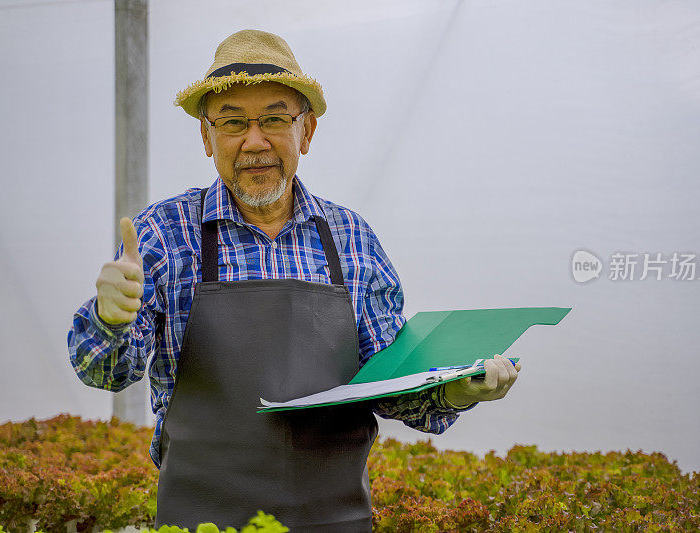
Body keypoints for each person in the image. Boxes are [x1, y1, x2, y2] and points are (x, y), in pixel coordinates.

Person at [68, 29, 521, 532]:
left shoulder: (352, 238)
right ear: (206, 136)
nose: (254, 141)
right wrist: (109, 318)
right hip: (202, 522)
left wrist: (460, 390)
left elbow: (389, 384)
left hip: (336, 520)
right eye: (233, 121)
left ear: (306, 132)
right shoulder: (163, 234)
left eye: (275, 119)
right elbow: (104, 373)